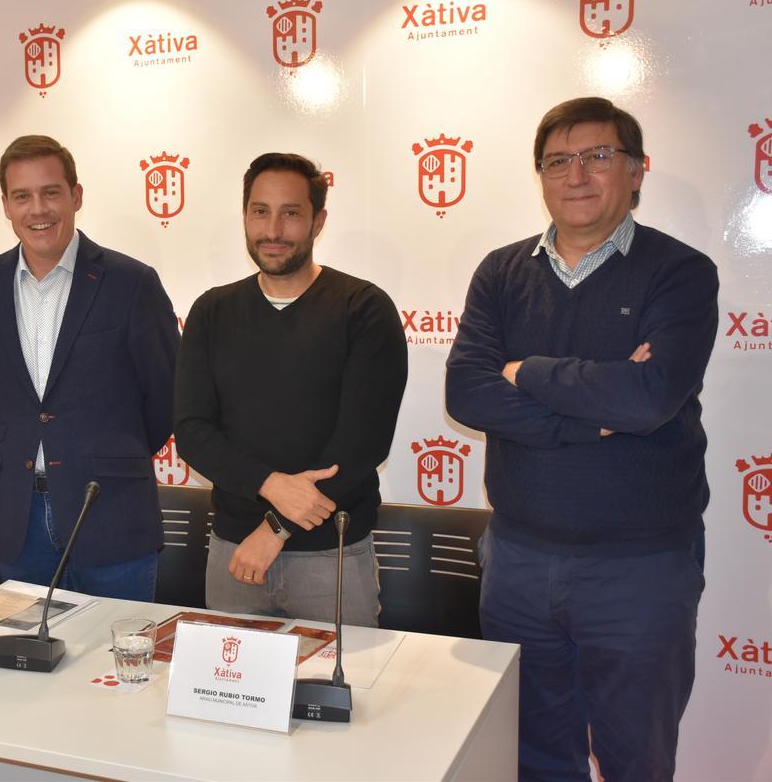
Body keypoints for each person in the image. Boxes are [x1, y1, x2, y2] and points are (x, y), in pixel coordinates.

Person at [445, 97, 717, 781]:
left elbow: (650, 397)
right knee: (533, 754)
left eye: (598, 156)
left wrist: (527, 373)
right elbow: (467, 391)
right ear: (540, 175)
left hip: (640, 570)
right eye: (558, 160)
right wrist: (588, 415)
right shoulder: (502, 273)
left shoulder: (680, 273)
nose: (577, 175)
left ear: (636, 171)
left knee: (637, 758)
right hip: (519, 562)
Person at [174, 152, 407, 626]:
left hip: (331, 556)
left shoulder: (363, 309)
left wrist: (275, 528)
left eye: (291, 213)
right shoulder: (211, 312)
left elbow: (362, 445)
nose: (273, 230)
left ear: (318, 221)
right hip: (233, 553)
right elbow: (193, 431)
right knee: (229, 697)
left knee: (344, 696)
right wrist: (271, 487)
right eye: (260, 211)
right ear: (244, 216)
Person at [0, 135, 179, 601]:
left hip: (111, 509)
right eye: (23, 196)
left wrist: (107, 456)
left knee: (120, 662)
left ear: (75, 196)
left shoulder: (131, 283)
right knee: (28, 667)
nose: (38, 209)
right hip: (17, 516)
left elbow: (167, 397)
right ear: (6, 205)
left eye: (51, 192)